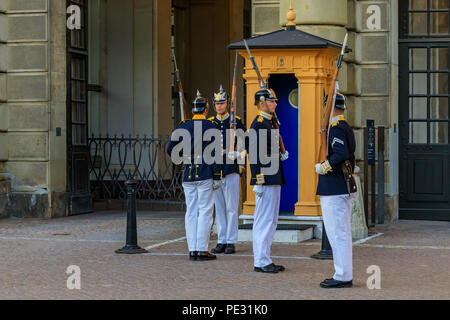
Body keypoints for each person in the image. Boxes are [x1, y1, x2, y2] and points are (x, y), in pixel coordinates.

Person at [167, 90, 222, 261]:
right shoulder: (211, 127)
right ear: (206, 110)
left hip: (188, 174)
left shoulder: (183, 126)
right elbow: (216, 154)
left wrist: (183, 157)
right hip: (205, 173)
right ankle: (201, 249)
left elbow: (170, 149)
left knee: (191, 212)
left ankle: (192, 249)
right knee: (205, 212)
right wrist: (217, 175)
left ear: (192, 110)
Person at [315, 92, 357, 288]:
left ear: (330, 107)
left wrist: (326, 166)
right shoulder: (342, 125)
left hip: (335, 186)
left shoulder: (336, 127)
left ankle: (342, 275)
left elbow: (340, 153)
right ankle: (343, 272)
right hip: (341, 186)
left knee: (337, 233)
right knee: (342, 232)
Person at [249, 88, 289, 273]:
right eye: (272, 101)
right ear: (262, 103)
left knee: (272, 220)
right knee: (263, 220)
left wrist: (280, 154)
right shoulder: (258, 124)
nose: (275, 103)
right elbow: (255, 154)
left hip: (274, 176)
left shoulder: (269, 122)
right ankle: (260, 260)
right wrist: (258, 180)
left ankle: (266, 257)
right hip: (265, 178)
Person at [209, 85, 246, 255]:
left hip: (231, 168)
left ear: (227, 103)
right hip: (216, 169)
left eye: (222, 103)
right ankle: (221, 240)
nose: (219, 106)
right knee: (219, 208)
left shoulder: (235, 121)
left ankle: (231, 241)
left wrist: (241, 164)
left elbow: (243, 144)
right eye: (217, 104)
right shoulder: (210, 123)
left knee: (232, 207)